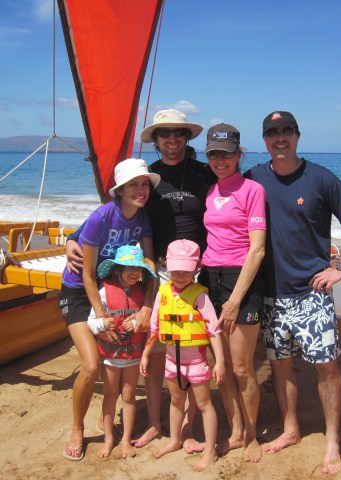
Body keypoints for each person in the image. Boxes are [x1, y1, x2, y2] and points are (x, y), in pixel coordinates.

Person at [65, 109, 215, 451]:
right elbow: (105, 216)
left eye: (179, 133)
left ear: (187, 138)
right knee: (157, 353)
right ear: (157, 140)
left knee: (193, 350)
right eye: (165, 133)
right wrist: (71, 238)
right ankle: (156, 424)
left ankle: (187, 428)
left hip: (197, 273)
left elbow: (231, 202)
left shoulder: (204, 174)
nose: (173, 139)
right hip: (159, 273)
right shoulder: (148, 177)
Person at [245, 111, 341, 475]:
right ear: (265, 140)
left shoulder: (320, 178)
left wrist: (340, 267)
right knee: (280, 367)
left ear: (297, 136)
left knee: (326, 367)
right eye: (272, 133)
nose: (279, 138)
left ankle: (332, 440)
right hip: (271, 295)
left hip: (312, 295)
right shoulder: (254, 179)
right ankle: (290, 429)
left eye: (286, 131)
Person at [59, 158, 159, 461]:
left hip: (113, 294)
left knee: (116, 359)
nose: (141, 191)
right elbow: (87, 274)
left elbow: (150, 264)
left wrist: (146, 307)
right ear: (120, 189)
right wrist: (102, 317)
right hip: (79, 294)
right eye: (133, 185)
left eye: (144, 185)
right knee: (90, 366)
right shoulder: (102, 216)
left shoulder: (142, 218)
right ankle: (77, 429)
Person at [201, 124, 267, 463]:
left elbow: (256, 250)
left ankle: (252, 434)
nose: (220, 159)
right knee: (220, 364)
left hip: (241, 281)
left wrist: (235, 299)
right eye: (213, 153)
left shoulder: (252, 189)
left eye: (226, 153)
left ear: (238, 154)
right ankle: (236, 431)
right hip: (210, 278)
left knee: (242, 368)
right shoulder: (211, 191)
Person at [140, 239, 226, 471]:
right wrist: (147, 353)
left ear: (196, 269)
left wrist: (220, 362)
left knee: (205, 404)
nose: (179, 275)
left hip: (196, 362)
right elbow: (155, 327)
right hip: (171, 361)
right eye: (175, 269)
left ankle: (210, 451)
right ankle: (175, 440)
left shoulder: (200, 296)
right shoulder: (163, 292)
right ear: (167, 266)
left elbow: (214, 331)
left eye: (186, 270)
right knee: (176, 402)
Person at [88, 245, 157, 459]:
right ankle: (109, 438)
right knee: (110, 395)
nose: (134, 272)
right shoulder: (104, 292)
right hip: (110, 358)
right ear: (117, 269)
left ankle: (126, 439)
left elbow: (153, 324)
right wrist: (102, 325)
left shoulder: (144, 296)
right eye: (128, 267)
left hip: (133, 358)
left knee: (129, 395)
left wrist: (138, 322)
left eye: (138, 269)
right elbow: (91, 322)